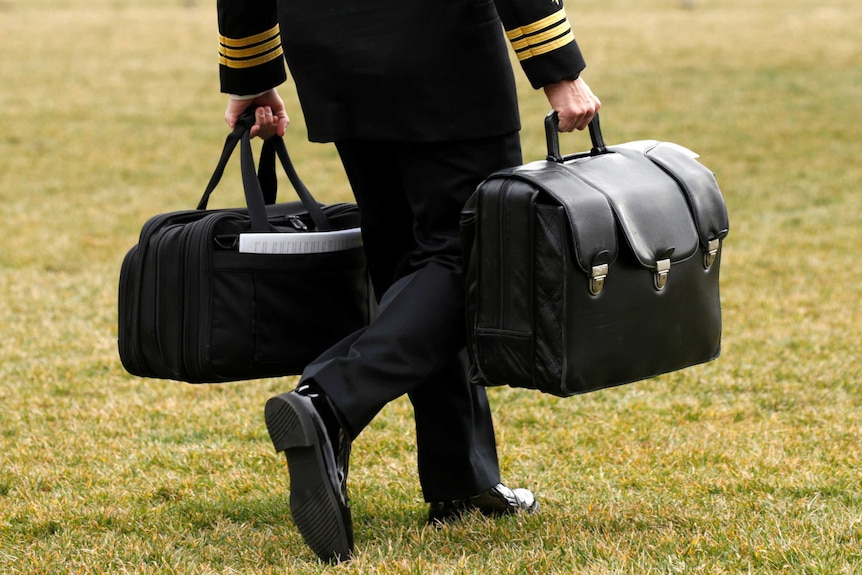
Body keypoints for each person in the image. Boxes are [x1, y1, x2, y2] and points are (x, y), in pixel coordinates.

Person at [216, 0, 600, 563]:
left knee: (407, 266)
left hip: (333, 59)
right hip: (443, 56)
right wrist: (560, 71)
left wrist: (252, 72)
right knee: (471, 262)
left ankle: (461, 478)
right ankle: (328, 400)